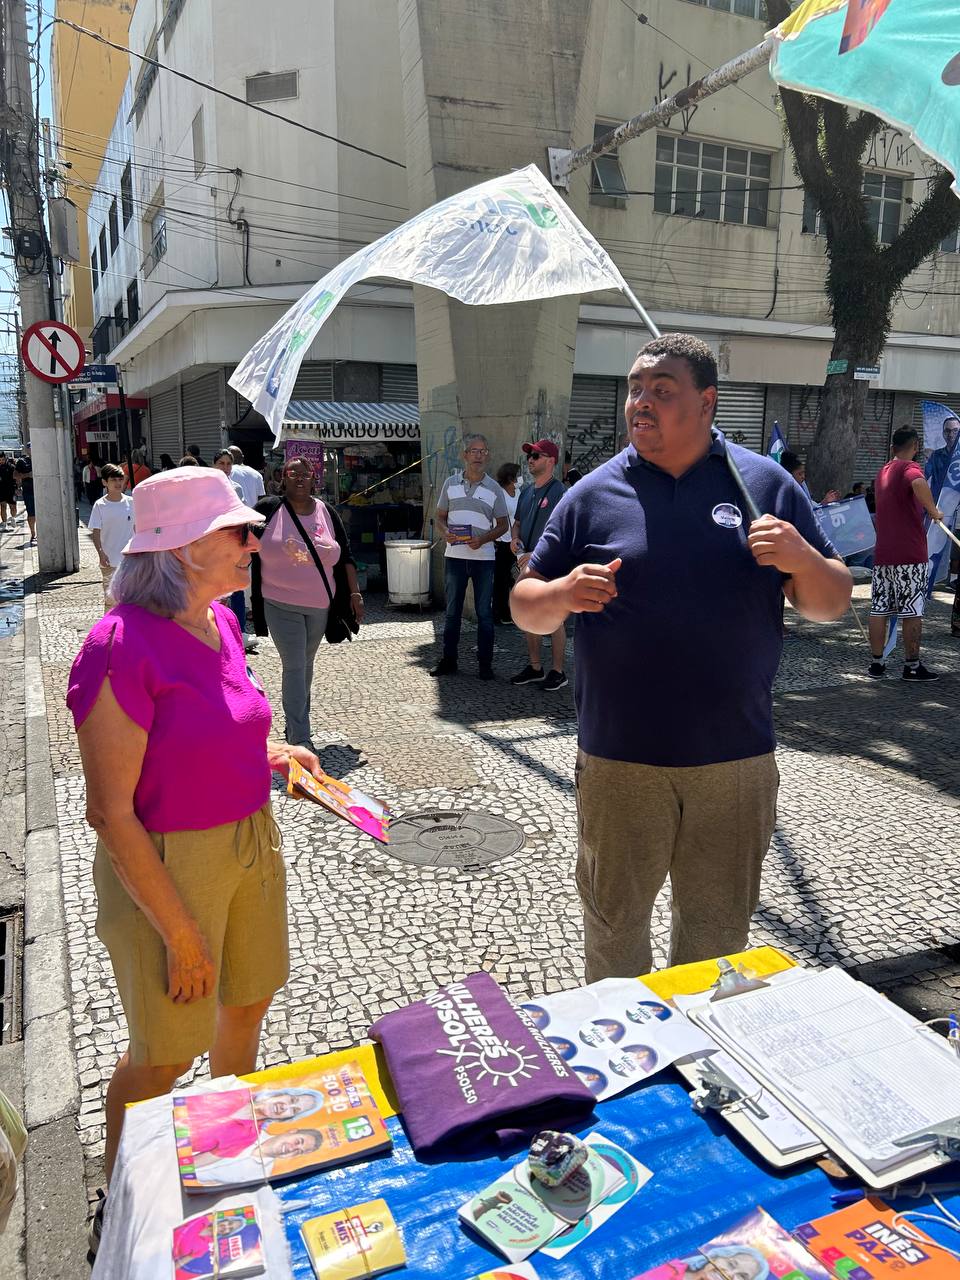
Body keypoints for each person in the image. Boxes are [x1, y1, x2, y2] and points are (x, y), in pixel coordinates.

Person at [511, 333, 851, 981]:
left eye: (662, 391)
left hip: (734, 762)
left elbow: (831, 603)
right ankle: (623, 1045)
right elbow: (526, 604)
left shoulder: (764, 485)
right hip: (619, 761)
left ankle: (698, 1044)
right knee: (614, 935)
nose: (641, 402)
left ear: (707, 402)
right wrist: (561, 593)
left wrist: (804, 558)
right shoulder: (592, 495)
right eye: (635, 389)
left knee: (716, 945)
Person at [66, 467, 324, 1192]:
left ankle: (225, 1157)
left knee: (245, 1004)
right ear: (181, 546)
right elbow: (109, 811)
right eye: (238, 532)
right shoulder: (119, 645)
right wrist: (180, 934)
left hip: (250, 843)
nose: (254, 543)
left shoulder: (223, 622)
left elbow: (213, 730)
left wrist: (276, 755)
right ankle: (123, 1200)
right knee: (165, 1054)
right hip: (166, 867)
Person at [250, 456, 363, 751]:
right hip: (278, 602)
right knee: (295, 665)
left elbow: (346, 555)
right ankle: (300, 737)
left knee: (305, 665)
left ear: (314, 479)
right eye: (293, 473)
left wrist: (354, 594)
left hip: (319, 605)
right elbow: (243, 543)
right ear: (282, 478)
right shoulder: (267, 509)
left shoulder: (326, 512)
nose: (299, 478)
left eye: (305, 474)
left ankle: (295, 723)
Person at [430, 434, 509, 680]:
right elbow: (439, 517)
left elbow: (503, 525)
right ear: (465, 455)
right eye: (474, 451)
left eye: (483, 451)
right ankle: (448, 660)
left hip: (484, 559)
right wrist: (445, 532)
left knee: (484, 613)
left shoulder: (494, 488)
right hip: (454, 556)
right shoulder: (450, 483)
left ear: (487, 456)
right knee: (452, 612)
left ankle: (485, 664)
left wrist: (483, 539)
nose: (478, 455)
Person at [867, 426, 943, 681]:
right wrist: (933, 510)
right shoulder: (909, 467)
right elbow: (918, 482)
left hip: (883, 554)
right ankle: (912, 666)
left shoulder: (883, 471)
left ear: (892, 447)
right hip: (909, 554)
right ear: (916, 446)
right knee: (912, 610)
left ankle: (877, 664)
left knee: (879, 608)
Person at [509, 440, 568, 692]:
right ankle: (535, 667)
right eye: (529, 456)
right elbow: (517, 524)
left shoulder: (560, 492)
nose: (530, 460)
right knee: (527, 611)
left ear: (551, 460)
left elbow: (564, 532)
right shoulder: (525, 492)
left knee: (554, 617)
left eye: (536, 455)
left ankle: (558, 672)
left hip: (549, 562)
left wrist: (536, 552)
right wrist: (514, 539)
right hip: (526, 563)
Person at [213, 450, 250, 642]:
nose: (225, 467)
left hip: (233, 541)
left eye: (228, 463)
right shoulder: (207, 487)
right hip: (213, 542)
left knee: (237, 587)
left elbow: (241, 515)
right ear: (214, 465)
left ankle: (239, 630)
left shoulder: (237, 488)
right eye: (221, 463)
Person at [88, 464, 134, 604]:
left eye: (120, 479)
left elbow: (138, 529)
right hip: (109, 561)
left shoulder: (131, 502)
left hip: (130, 561)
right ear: (105, 482)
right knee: (111, 601)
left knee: (130, 601)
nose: (118, 483)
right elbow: (96, 532)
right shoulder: (100, 505)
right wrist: (101, 553)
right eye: (113, 480)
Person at [493, 462, 520, 625]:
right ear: (510, 478)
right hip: (502, 542)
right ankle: (501, 613)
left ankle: (514, 611)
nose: (521, 478)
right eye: (518, 475)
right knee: (501, 579)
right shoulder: (500, 494)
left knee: (515, 578)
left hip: (517, 541)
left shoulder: (519, 492)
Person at [924, 414, 960, 501]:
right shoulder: (935, 455)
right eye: (947, 431)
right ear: (943, 433)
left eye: (955, 431)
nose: (951, 435)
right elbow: (924, 476)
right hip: (938, 503)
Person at [14, 457, 35, 544]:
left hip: (43, 490)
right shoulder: (22, 461)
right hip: (29, 492)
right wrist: (28, 475)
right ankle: (33, 533)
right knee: (31, 513)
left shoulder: (44, 458)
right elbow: (15, 475)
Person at [0, 452, 17, 528]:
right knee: (3, 507)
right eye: (0, 460)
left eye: (2, 459)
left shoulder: (11, 467)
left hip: (11, 490)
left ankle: (13, 518)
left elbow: (16, 478)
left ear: (5, 458)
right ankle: (4, 523)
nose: (1, 461)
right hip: (1, 490)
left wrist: (18, 488)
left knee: (13, 506)